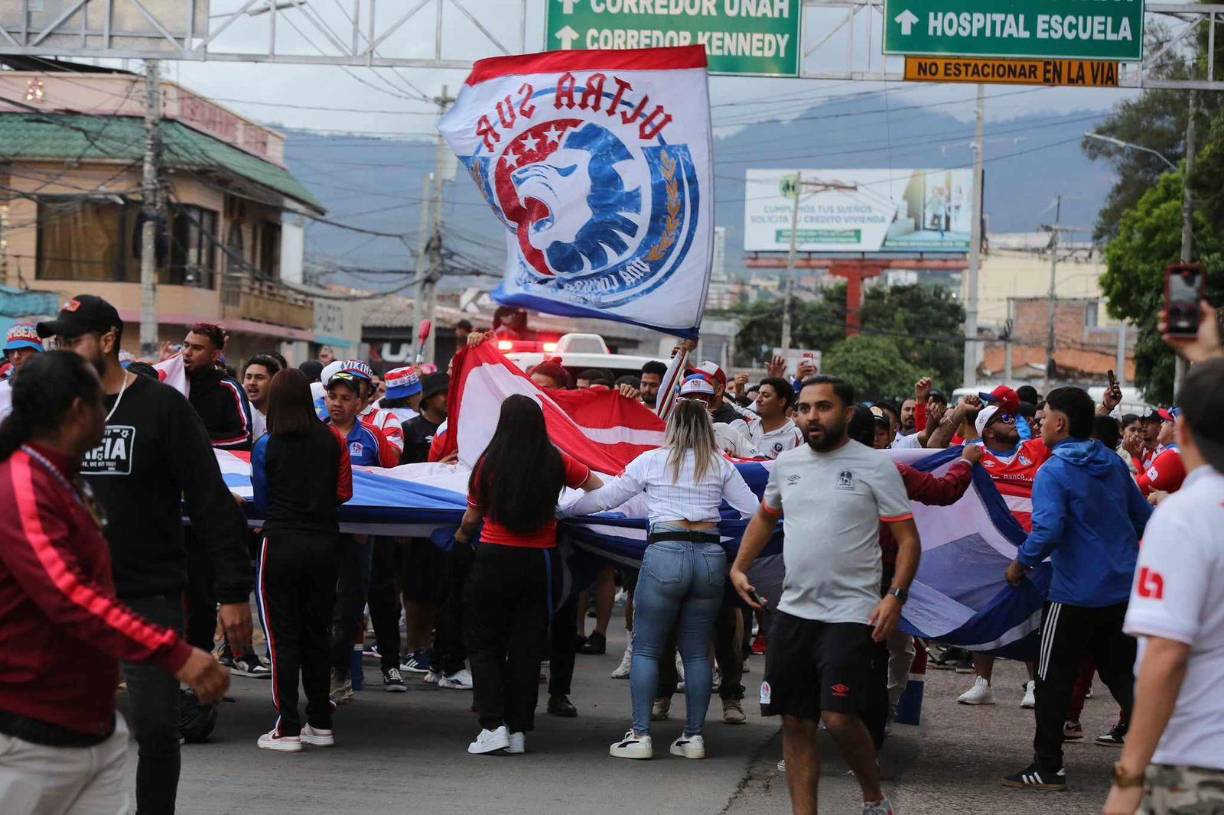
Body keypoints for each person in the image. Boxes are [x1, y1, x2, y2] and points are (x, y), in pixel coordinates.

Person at [39, 295, 252, 814]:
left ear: (108, 340)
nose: (62, 351)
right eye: (57, 341)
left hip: (145, 594)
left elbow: (208, 498)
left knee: (156, 727)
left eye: (73, 340)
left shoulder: (161, 408)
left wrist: (232, 591)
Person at [0, 351, 228, 815]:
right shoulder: (22, 484)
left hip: (91, 732)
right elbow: (67, 594)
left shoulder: (65, 478)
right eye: (101, 400)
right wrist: (175, 653)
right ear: (80, 411)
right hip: (30, 737)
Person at [730, 376, 920, 815]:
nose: (812, 416)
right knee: (795, 721)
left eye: (823, 407)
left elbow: (908, 540)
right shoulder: (787, 465)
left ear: (847, 413)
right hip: (794, 611)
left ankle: (873, 797)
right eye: (804, 408)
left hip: (852, 612)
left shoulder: (876, 466)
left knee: (836, 717)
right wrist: (739, 566)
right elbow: (764, 517)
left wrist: (895, 596)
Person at [562, 399, 759, 761]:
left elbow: (604, 499)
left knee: (648, 648)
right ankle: (694, 737)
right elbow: (754, 512)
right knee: (699, 653)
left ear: (671, 428)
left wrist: (563, 510)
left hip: (665, 552)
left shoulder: (651, 460)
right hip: (710, 556)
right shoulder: (721, 465)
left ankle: (640, 735)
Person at [1001, 386, 1153, 791]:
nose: (1038, 420)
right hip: (1122, 590)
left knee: (1051, 678)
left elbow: (1048, 530)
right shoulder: (1112, 462)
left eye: (1044, 414)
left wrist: (1020, 563)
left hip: (1073, 595)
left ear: (1060, 423)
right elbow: (1144, 518)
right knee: (1124, 678)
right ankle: (1162, 760)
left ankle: (1047, 766)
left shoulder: (1053, 470)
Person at [1102, 359, 1224, 814]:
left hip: (1200, 764)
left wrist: (1130, 776)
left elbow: (1166, 654)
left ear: (1185, 430)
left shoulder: (1185, 516)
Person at [456, 395, 602, 755]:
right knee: (527, 647)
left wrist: (459, 540)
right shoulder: (556, 460)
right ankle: (519, 730)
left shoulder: (488, 464)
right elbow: (597, 487)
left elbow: (472, 518)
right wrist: (562, 513)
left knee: (486, 644)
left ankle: (492, 726)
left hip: (494, 559)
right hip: (539, 562)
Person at [252, 369, 353, 752]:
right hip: (326, 544)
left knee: (282, 638)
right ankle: (320, 723)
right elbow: (344, 491)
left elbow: (261, 502)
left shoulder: (266, 444)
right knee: (317, 633)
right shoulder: (333, 440)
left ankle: (287, 727)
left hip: (280, 543)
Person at [322, 362, 399, 701]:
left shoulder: (373, 438)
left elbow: (394, 481)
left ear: (360, 403)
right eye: (332, 396)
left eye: (345, 398)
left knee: (349, 610)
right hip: (320, 535)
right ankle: (318, 674)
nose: (337, 403)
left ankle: (340, 674)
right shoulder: (314, 432)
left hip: (359, 540)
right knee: (320, 605)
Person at [182, 323, 252, 452]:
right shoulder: (171, 381)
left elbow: (244, 438)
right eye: (186, 345)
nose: (187, 352)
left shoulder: (229, 389)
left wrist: (195, 441)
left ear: (214, 355)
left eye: (197, 348)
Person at [748, 377, 803, 459]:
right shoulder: (748, 424)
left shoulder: (796, 435)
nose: (758, 400)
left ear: (781, 402)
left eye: (765, 395)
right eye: (759, 394)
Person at [1136, 409, 1186, 497]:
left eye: (1166, 421)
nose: (1161, 425)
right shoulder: (1174, 452)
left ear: (1176, 427)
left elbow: (1140, 487)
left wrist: (1134, 459)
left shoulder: (1172, 455)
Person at [243, 354, 282, 443]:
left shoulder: (285, 416)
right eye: (248, 377)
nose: (252, 382)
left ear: (274, 381)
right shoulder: (239, 413)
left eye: (259, 377)